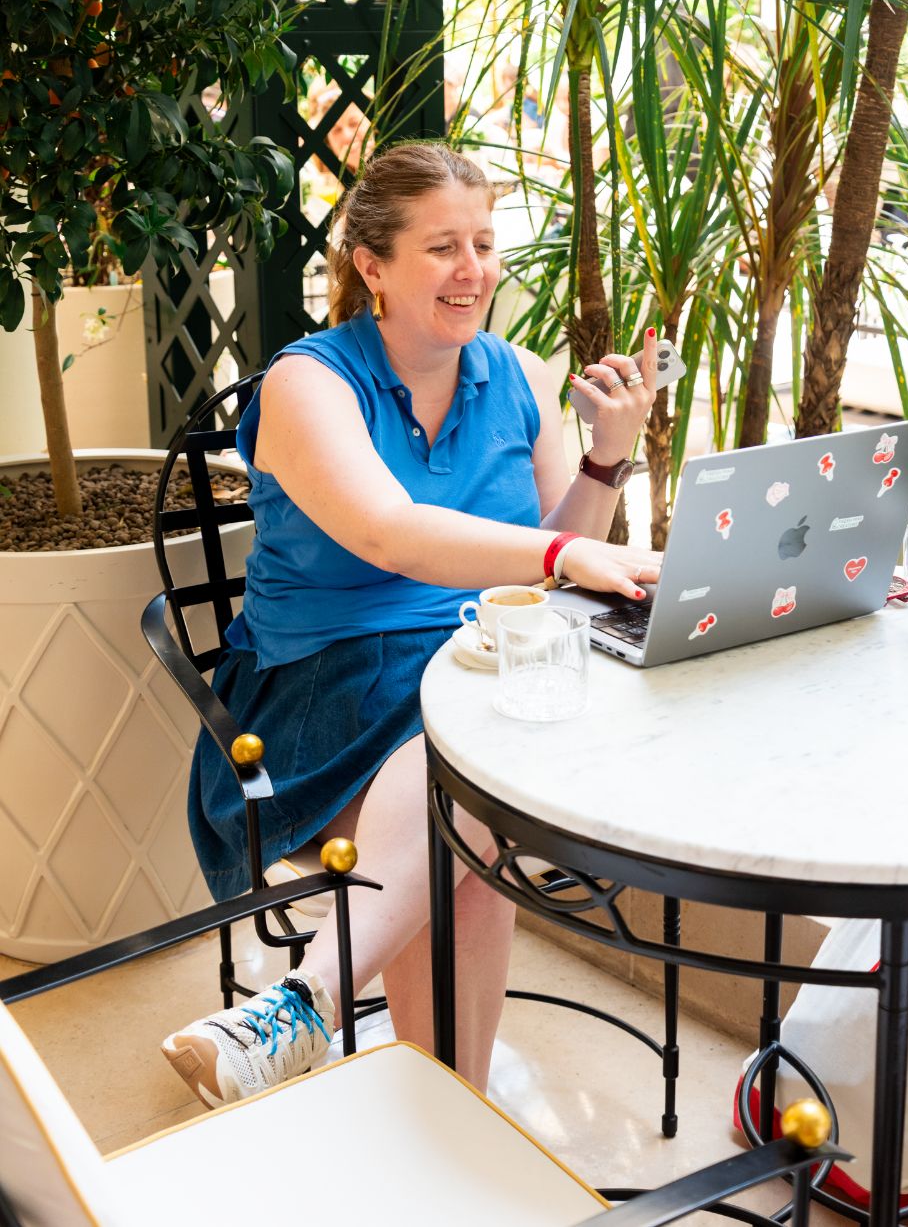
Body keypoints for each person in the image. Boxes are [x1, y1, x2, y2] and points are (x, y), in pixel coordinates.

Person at [161, 141, 662, 1108]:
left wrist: (607, 459)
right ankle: (441, 1103)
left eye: (483, 242)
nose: (473, 270)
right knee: (470, 790)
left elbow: (557, 555)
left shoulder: (516, 375)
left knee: (467, 785)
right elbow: (395, 536)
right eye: (442, 248)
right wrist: (561, 558)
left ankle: (315, 1013)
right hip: (320, 697)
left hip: (475, 668)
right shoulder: (309, 384)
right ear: (373, 265)